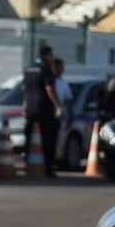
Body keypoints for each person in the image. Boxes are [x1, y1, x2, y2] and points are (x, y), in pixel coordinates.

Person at [23, 44, 64, 177]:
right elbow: (49, 89)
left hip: (30, 107)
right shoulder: (46, 69)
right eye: (51, 55)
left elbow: (26, 88)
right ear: (47, 55)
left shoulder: (28, 68)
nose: (52, 58)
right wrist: (58, 105)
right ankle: (48, 168)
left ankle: (28, 165)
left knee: (29, 138)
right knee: (48, 138)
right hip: (44, 108)